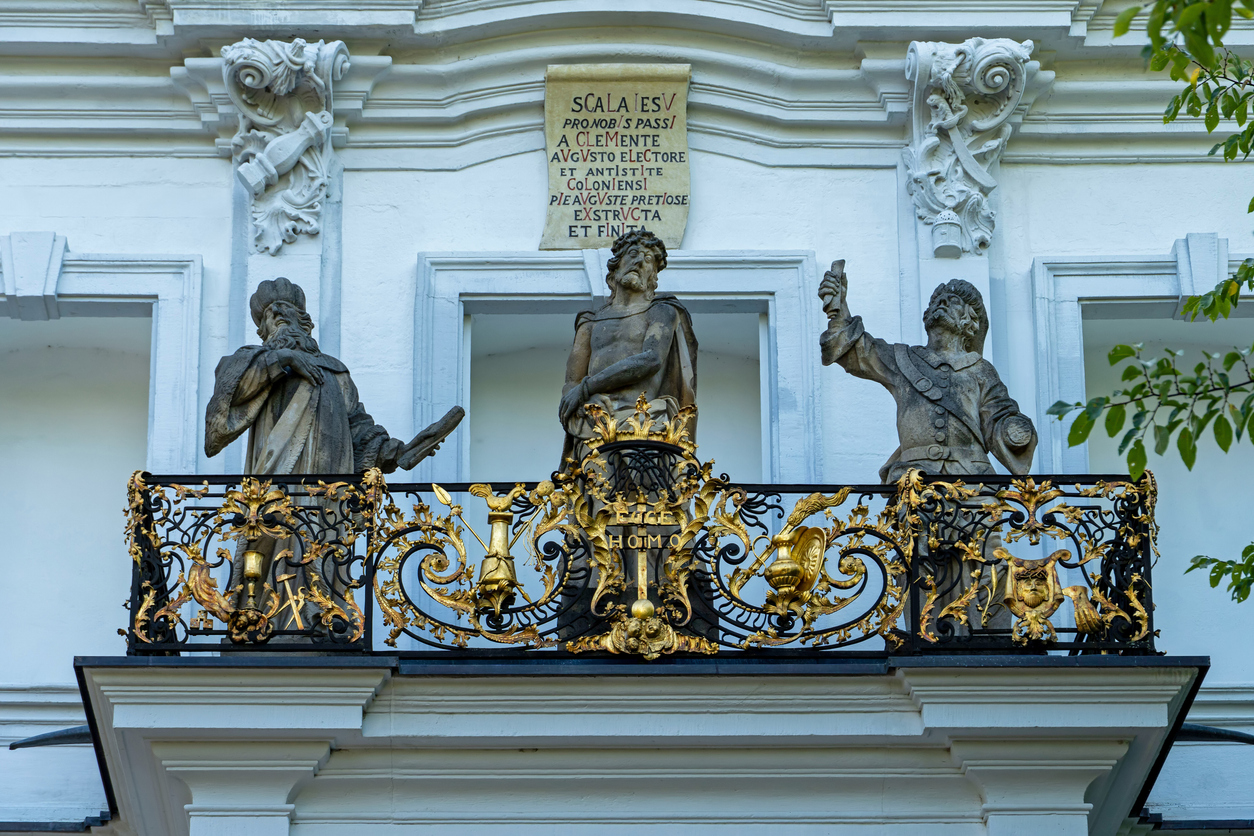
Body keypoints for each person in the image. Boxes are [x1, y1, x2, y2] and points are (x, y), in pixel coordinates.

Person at [205, 277, 462, 629]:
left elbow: (359, 426)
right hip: (278, 478)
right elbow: (228, 396)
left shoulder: (334, 370)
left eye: (289, 316)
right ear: (264, 327)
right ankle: (266, 615)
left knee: (322, 544)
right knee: (272, 538)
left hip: (329, 484)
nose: (282, 322)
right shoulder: (255, 361)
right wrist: (283, 359)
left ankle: (318, 612)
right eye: (273, 319)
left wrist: (397, 452)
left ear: (303, 321)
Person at [817, 260, 1036, 482]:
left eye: (953, 301)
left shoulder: (981, 369)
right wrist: (840, 309)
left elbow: (997, 418)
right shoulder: (902, 359)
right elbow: (857, 350)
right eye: (936, 302)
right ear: (926, 315)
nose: (941, 302)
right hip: (913, 478)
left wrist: (1013, 430)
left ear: (971, 321)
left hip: (972, 477)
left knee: (991, 515)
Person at [559, 228, 698, 468]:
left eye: (648, 260)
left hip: (645, 420)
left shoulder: (662, 310)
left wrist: (588, 387)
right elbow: (572, 383)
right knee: (593, 499)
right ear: (616, 264)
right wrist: (576, 409)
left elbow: (651, 359)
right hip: (593, 423)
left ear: (653, 275)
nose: (639, 262)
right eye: (633, 253)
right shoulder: (590, 322)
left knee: (647, 500)